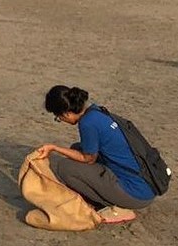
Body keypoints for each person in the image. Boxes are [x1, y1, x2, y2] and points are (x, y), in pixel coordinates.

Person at [38, 85, 155, 224]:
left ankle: (116, 207)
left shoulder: (87, 123)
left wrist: (54, 148)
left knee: (65, 167)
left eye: (58, 118)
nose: (61, 120)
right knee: (76, 148)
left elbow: (88, 159)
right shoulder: (96, 111)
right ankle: (114, 195)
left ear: (66, 113)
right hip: (147, 185)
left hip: (135, 194)